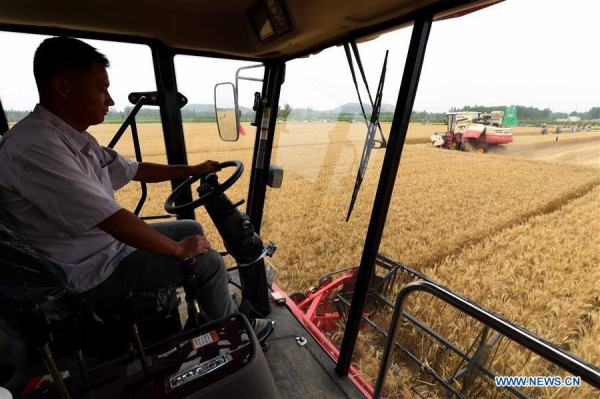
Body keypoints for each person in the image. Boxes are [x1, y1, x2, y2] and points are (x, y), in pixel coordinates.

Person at [0, 37, 273, 341]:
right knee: (209, 262)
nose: (110, 100)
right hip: (88, 270)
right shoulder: (36, 147)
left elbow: (133, 169)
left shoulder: (72, 139)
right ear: (63, 87)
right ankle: (229, 334)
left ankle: (212, 312)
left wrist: (192, 170)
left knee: (191, 226)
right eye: (102, 88)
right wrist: (176, 250)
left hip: (101, 248)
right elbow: (111, 219)